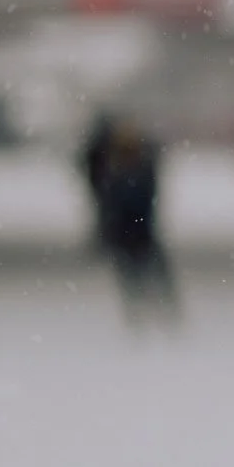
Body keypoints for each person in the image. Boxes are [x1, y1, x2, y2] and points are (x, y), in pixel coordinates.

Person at [78, 111, 177, 323]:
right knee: (139, 273)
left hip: (134, 229)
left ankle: (154, 310)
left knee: (143, 273)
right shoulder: (122, 171)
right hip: (131, 229)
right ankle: (149, 310)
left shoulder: (126, 171)